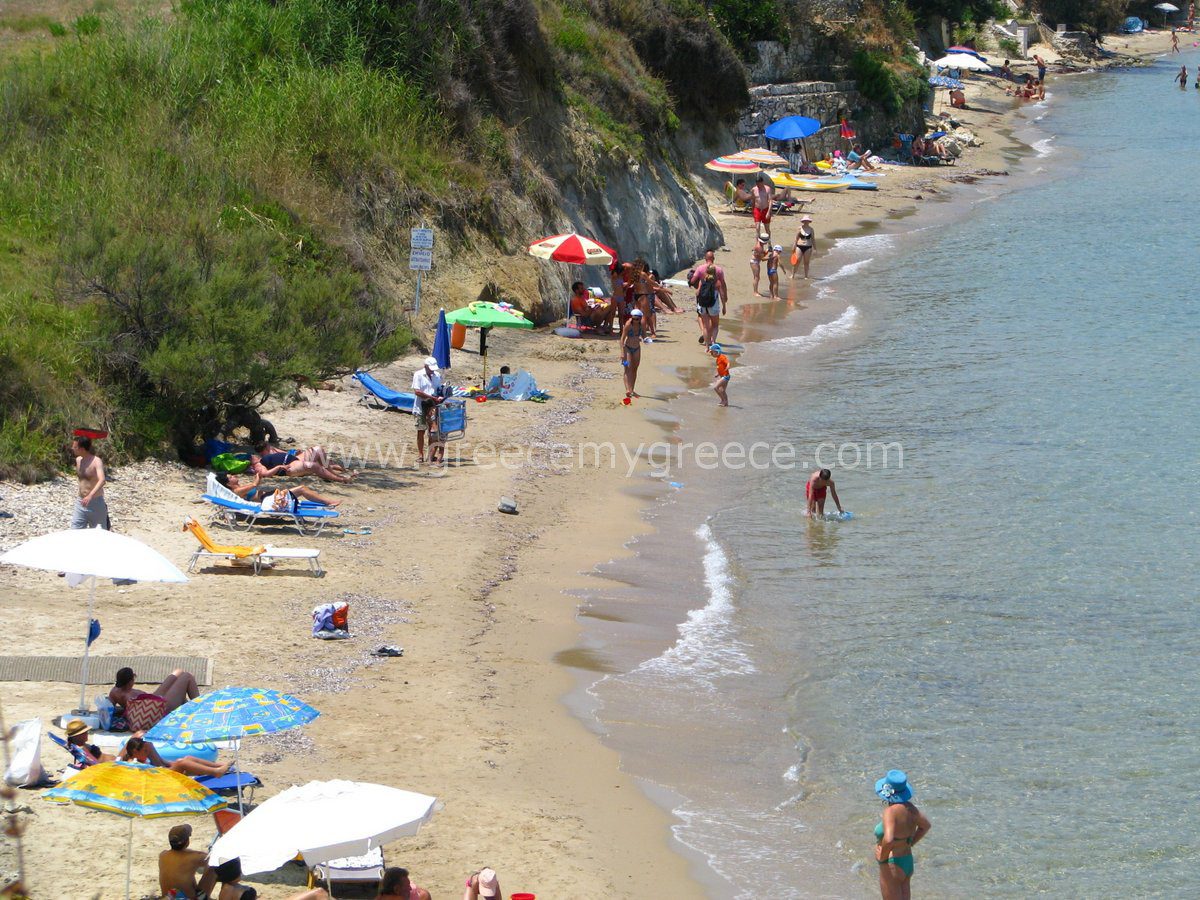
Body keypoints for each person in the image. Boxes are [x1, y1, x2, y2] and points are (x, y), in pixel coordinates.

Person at [874, 770, 931, 900]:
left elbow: (888, 840)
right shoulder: (911, 809)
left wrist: (882, 858)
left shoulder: (890, 812)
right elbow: (925, 826)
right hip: (907, 861)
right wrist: (909, 843)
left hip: (892, 863)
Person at [120, 736, 231, 778]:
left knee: (186, 758)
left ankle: (218, 766)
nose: (147, 752)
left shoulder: (139, 757)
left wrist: (170, 765)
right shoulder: (133, 763)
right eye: (144, 751)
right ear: (135, 751)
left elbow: (158, 765)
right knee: (182, 763)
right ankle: (216, 772)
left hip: (160, 774)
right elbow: (147, 775)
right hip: (159, 780)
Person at [215, 471, 341, 508]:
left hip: (270, 496)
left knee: (301, 489)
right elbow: (255, 485)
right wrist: (258, 477)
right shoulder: (236, 491)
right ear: (228, 484)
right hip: (270, 500)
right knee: (302, 489)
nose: (234, 476)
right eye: (231, 477)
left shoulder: (239, 488)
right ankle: (327, 502)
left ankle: (326, 502)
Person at [109, 666, 199, 715]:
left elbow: (109, 708)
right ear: (129, 682)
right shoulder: (130, 698)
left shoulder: (114, 691)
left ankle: (184, 704)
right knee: (187, 676)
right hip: (160, 707)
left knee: (178, 672)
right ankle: (200, 707)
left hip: (154, 698)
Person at [159, 824, 216, 900]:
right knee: (213, 869)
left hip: (169, 896)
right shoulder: (196, 857)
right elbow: (214, 858)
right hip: (184, 897)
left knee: (187, 874)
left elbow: (184, 856)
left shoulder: (163, 855)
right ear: (187, 842)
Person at [250, 444, 353, 483]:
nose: (252, 456)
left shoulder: (269, 451)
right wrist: (279, 467)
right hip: (291, 467)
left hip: (294, 458)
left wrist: (294, 453)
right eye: (250, 458)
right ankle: (341, 479)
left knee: (318, 449)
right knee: (313, 466)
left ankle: (332, 474)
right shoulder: (259, 465)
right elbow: (266, 474)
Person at [689, 250, 727, 348]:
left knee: (705, 326)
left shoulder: (701, 271)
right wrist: (724, 305)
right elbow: (722, 287)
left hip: (702, 301)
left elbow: (693, 282)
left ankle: (707, 346)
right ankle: (713, 342)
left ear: (705, 258)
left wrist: (694, 285)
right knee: (715, 325)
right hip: (713, 302)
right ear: (713, 259)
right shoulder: (718, 273)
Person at [71, 435, 110, 529]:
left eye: (75, 447)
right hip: (80, 502)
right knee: (75, 532)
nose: (72, 448)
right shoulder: (78, 460)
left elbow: (102, 480)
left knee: (99, 534)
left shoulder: (96, 461)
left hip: (96, 503)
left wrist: (90, 495)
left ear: (82, 449)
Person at [412, 357, 445, 464]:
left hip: (433, 407)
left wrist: (440, 396)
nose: (432, 370)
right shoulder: (418, 375)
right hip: (420, 407)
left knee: (432, 432)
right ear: (425, 366)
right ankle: (420, 455)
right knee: (421, 431)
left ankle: (430, 455)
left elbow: (439, 389)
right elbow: (417, 391)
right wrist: (432, 398)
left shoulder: (437, 376)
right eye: (430, 368)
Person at [619, 308, 645, 400]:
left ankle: (632, 389)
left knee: (635, 368)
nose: (635, 321)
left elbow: (644, 335)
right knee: (627, 368)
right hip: (627, 348)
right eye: (633, 319)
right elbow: (622, 339)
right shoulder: (628, 325)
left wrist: (645, 339)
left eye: (637, 319)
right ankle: (627, 390)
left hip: (637, 348)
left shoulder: (642, 324)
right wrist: (622, 353)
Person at [751, 176, 774, 240]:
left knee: (767, 228)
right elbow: (753, 200)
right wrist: (753, 210)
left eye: (759, 184)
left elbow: (770, 201)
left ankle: (769, 244)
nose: (758, 185)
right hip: (757, 209)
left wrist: (769, 212)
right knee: (757, 227)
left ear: (762, 183)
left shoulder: (767, 189)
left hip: (765, 209)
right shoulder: (754, 189)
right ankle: (757, 245)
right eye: (757, 184)